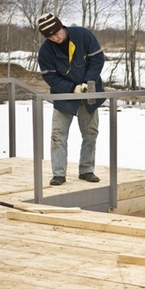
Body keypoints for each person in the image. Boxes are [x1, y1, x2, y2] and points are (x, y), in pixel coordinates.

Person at [37, 13, 106, 186]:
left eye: (56, 32)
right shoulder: (46, 50)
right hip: (64, 95)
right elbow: (50, 77)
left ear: (61, 26)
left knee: (90, 133)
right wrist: (71, 88)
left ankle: (87, 170)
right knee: (58, 135)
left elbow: (97, 59)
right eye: (50, 36)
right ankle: (58, 173)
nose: (55, 37)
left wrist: (86, 83)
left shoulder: (83, 35)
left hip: (89, 92)